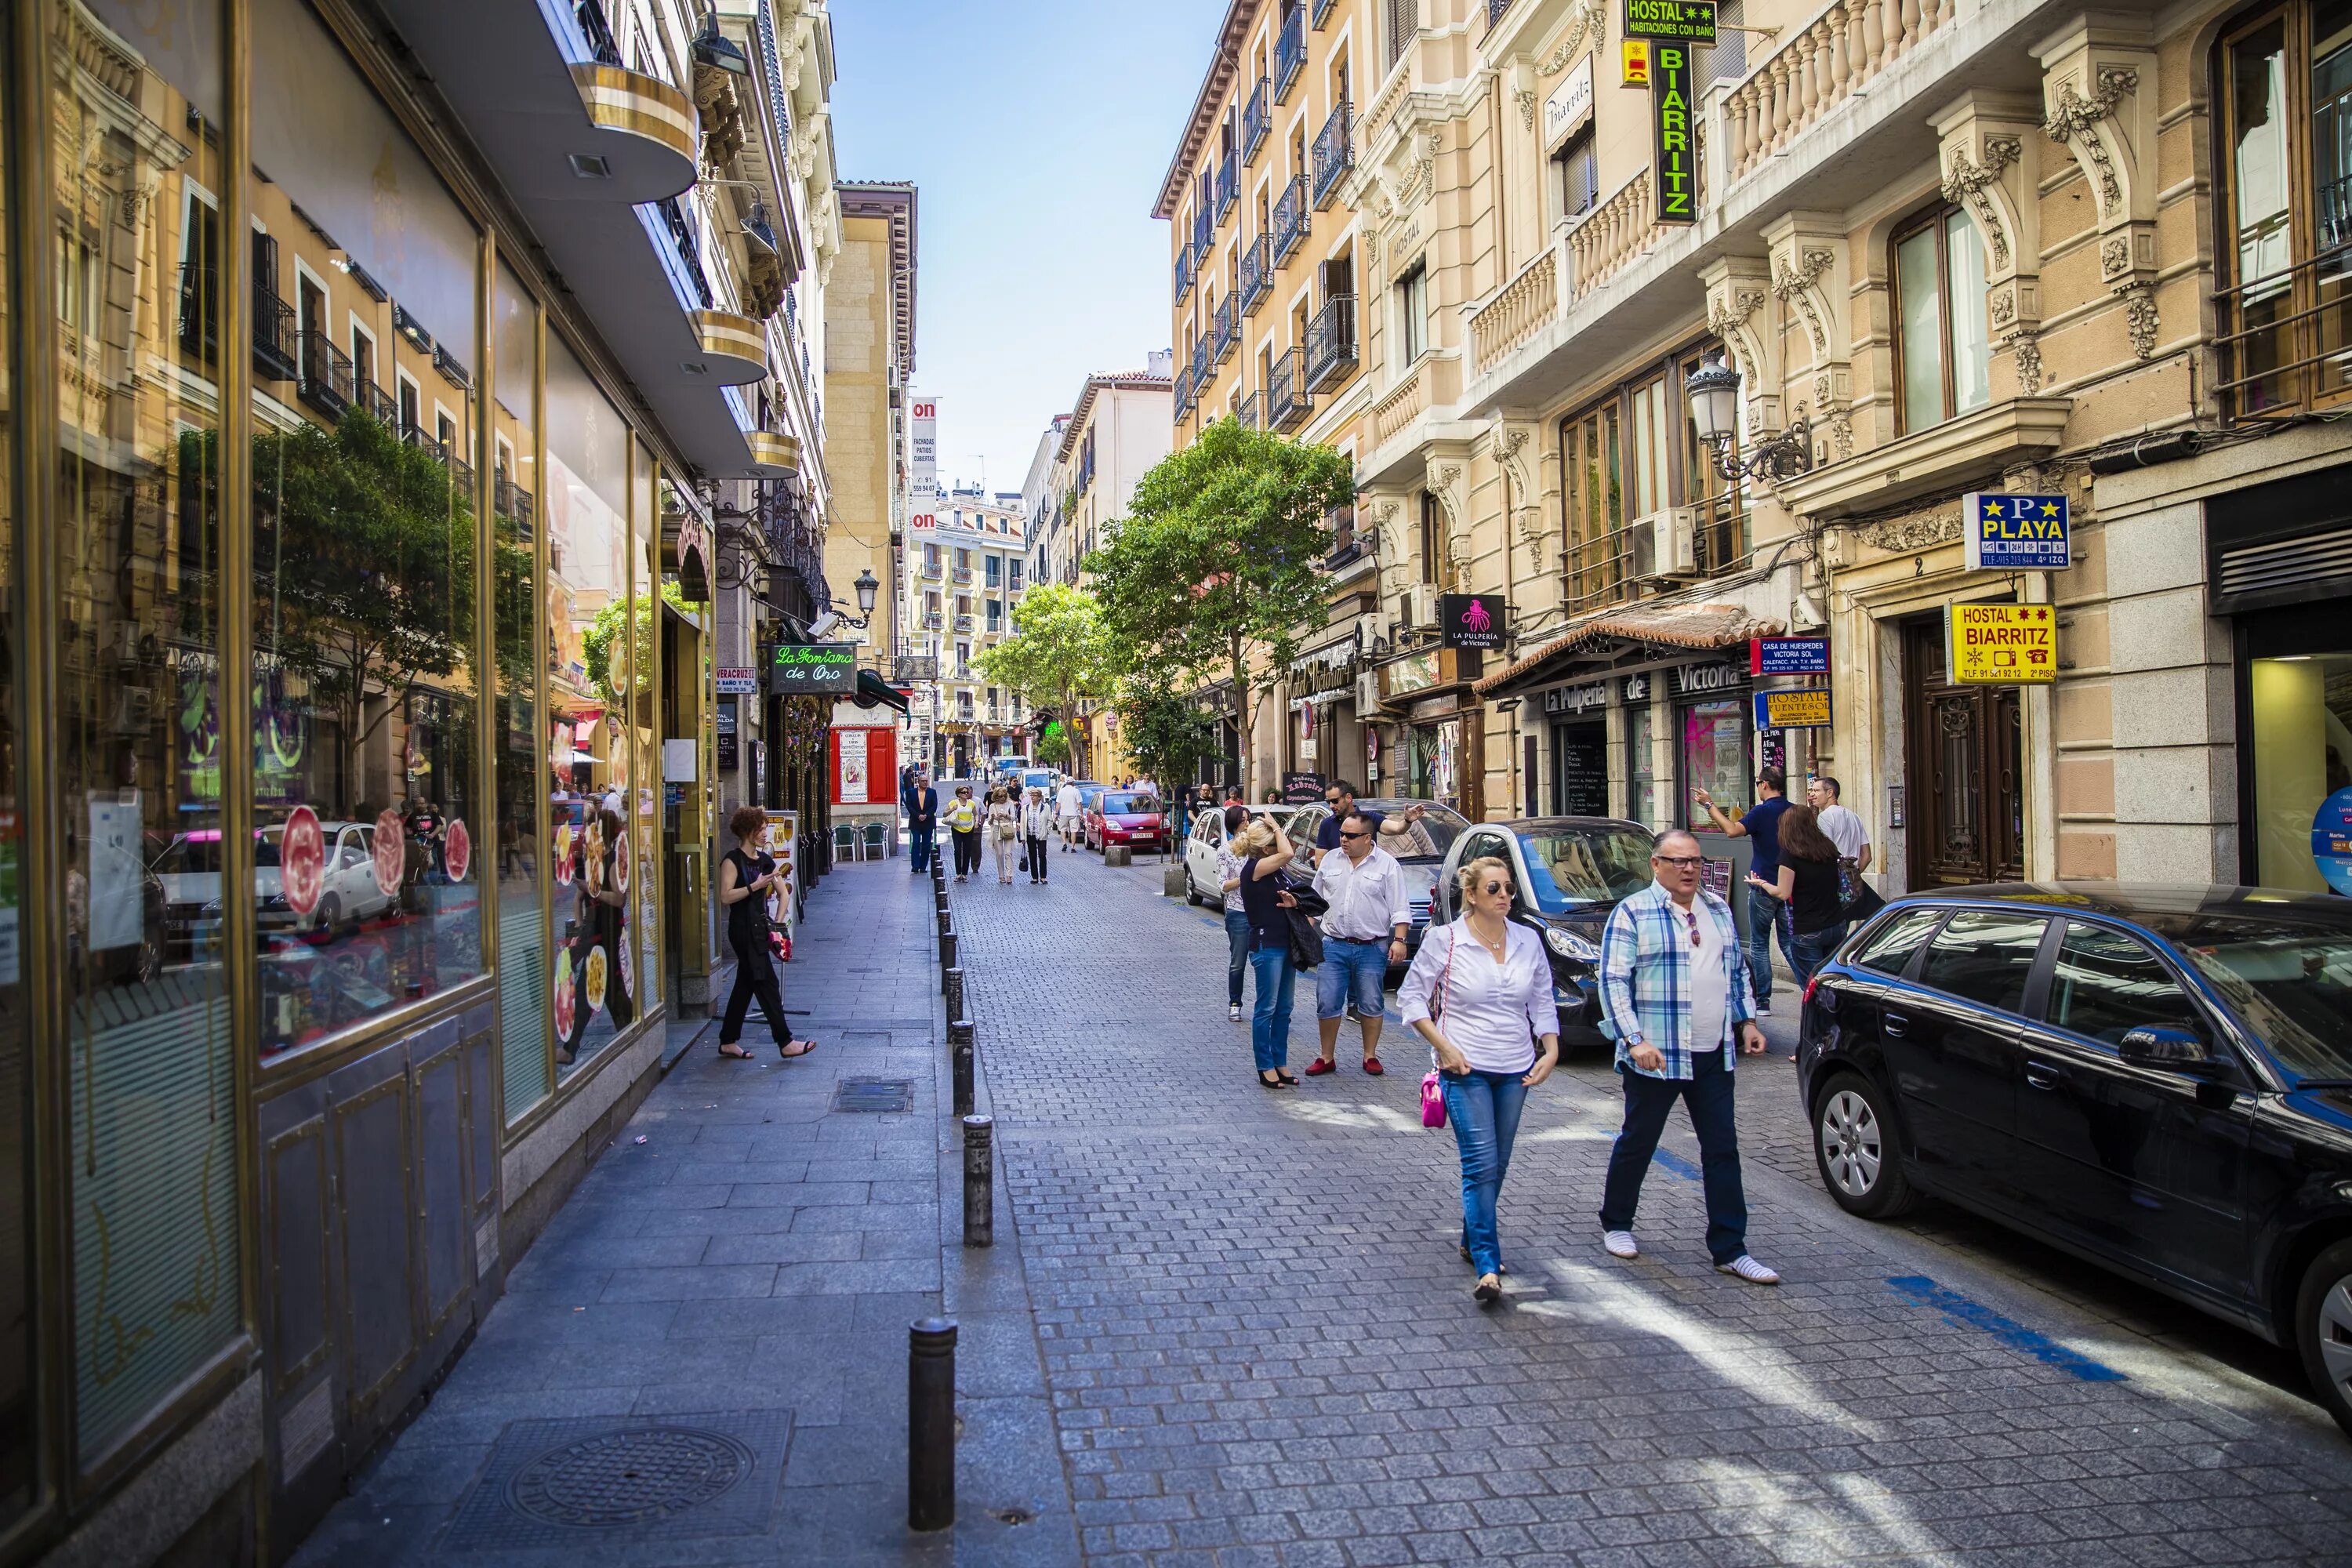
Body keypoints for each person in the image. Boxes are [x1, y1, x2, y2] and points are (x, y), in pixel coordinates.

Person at [1595, 829, 1777, 1284]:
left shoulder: (1717, 908)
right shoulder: (1633, 913)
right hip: (1657, 1055)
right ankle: (1617, 1223)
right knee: (1639, 1139)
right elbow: (1613, 981)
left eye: (1695, 860)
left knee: (1722, 1150)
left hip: (1713, 1051)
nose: (1689, 869)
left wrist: (1748, 1021)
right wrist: (1634, 1039)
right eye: (1678, 861)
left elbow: (1735, 970)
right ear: (1655, 865)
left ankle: (1730, 1249)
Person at [1401, 855, 1560, 1305]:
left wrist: (1551, 1048)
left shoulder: (1529, 940)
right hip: (1463, 1069)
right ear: (1471, 895)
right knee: (1480, 1165)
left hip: (1515, 1069)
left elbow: (1543, 1000)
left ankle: (1473, 1239)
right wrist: (1445, 1048)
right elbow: (1411, 1001)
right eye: (1494, 889)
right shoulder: (1444, 940)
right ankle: (1488, 1265)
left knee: (1499, 1164)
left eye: (1508, 888)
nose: (1505, 896)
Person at [1305, 811, 1409, 1076]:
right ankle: (1326, 1057)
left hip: (1372, 947)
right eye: (1342, 834)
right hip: (1333, 945)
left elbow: (1399, 906)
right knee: (1327, 1002)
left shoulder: (1386, 865)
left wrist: (1399, 940)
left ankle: (1370, 1056)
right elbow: (1315, 902)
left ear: (1367, 837)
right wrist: (1304, 933)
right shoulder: (1330, 860)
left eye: (1350, 836)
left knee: (1371, 1003)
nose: (1343, 839)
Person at [715, 804, 817, 1062]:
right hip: (741, 930)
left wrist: (778, 923)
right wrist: (754, 886)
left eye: (765, 829)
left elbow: (783, 893)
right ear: (748, 832)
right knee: (766, 983)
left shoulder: (765, 861)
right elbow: (725, 897)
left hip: (761, 928)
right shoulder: (732, 860)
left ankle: (728, 1040)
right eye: (760, 830)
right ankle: (785, 1041)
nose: (764, 834)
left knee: (745, 984)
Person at [1693, 766, 1798, 1014]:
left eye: (1757, 783)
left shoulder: (1762, 812)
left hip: (1762, 885)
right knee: (1789, 944)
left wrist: (1709, 805)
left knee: (1760, 944)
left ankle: (1763, 1001)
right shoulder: (1795, 811)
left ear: (1764, 784)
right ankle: (1811, 987)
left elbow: (1731, 831)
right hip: (1787, 887)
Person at [1236, 815, 1302, 1089]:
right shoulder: (1256, 867)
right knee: (1267, 1008)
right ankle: (1265, 1066)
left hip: (1285, 943)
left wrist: (1292, 902)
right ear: (1266, 849)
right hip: (1267, 946)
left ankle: (1280, 1061)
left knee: (1284, 1008)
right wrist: (1276, 827)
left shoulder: (1272, 870)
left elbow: (1284, 895)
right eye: (1275, 841)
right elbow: (1288, 852)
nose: (1282, 846)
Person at [1763, 803, 1848, 997]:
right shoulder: (1828, 848)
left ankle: (1820, 1025)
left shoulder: (1789, 855)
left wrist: (1762, 885)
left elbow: (1783, 893)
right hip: (1836, 924)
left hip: (1807, 928)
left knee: (1813, 989)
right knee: (1833, 982)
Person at [1215, 804, 1251, 1022]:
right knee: (1238, 961)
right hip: (1238, 913)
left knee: (1267, 962)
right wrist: (1244, 880)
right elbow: (1223, 885)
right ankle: (1235, 1003)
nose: (1248, 823)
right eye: (1244, 820)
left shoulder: (1258, 845)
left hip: (1261, 912)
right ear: (1234, 824)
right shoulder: (1225, 850)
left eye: (1249, 819)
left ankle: (1270, 1006)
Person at [1807, 775, 1871, 874]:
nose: (1812, 794)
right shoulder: (1854, 816)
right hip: (1851, 880)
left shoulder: (1825, 817)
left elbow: (1825, 853)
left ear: (1830, 793)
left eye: (1816, 790)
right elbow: (1867, 857)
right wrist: (1854, 875)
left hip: (1834, 879)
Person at [1314, 780, 1385, 863]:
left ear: (1348, 798)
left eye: (1335, 801)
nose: (1331, 806)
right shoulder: (1326, 824)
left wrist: (1404, 820)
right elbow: (1319, 862)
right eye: (1328, 802)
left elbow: (1397, 828)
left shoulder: (1369, 818)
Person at [945, 784, 982, 881]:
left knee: (967, 851)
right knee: (957, 850)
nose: (966, 794)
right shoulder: (953, 802)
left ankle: (964, 873)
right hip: (957, 829)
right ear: (959, 794)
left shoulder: (971, 803)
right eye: (964, 792)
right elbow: (945, 814)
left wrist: (977, 822)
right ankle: (958, 873)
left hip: (969, 829)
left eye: (967, 792)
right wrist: (952, 809)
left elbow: (975, 814)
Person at [907, 771, 939, 874]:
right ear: (918, 782)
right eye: (923, 781)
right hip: (915, 822)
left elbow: (934, 806)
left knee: (926, 845)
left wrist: (926, 815)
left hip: (928, 821)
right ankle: (915, 866)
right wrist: (918, 815)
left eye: (926, 781)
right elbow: (909, 806)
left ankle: (923, 866)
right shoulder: (911, 792)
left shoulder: (932, 792)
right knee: (916, 843)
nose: (925, 783)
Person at [985, 786, 1018, 884]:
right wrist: (993, 818)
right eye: (1000, 796)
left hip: (1007, 828)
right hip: (996, 828)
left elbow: (1014, 818)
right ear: (996, 797)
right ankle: (1001, 876)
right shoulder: (992, 806)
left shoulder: (1010, 804)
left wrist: (1005, 815)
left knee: (1008, 853)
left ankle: (1009, 875)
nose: (1003, 798)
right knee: (999, 854)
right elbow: (989, 822)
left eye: (1004, 796)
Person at [1022, 788, 1054, 884]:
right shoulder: (1026, 808)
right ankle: (1035, 877)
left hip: (1041, 834)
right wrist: (1023, 837)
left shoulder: (1045, 807)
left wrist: (1047, 830)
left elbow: (1050, 820)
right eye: (1031, 795)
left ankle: (1043, 877)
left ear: (1039, 797)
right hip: (1030, 834)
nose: (1032, 797)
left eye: (1034, 795)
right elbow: (1023, 823)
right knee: (1032, 855)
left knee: (1042, 855)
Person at [1055, 777, 1083, 851]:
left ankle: (1064, 843)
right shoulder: (1076, 791)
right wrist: (1082, 814)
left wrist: (1056, 813)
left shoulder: (1062, 791)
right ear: (1073, 783)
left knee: (1063, 829)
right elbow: (1079, 804)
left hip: (1063, 813)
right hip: (1074, 813)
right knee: (1074, 830)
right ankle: (1073, 847)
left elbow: (1058, 803)